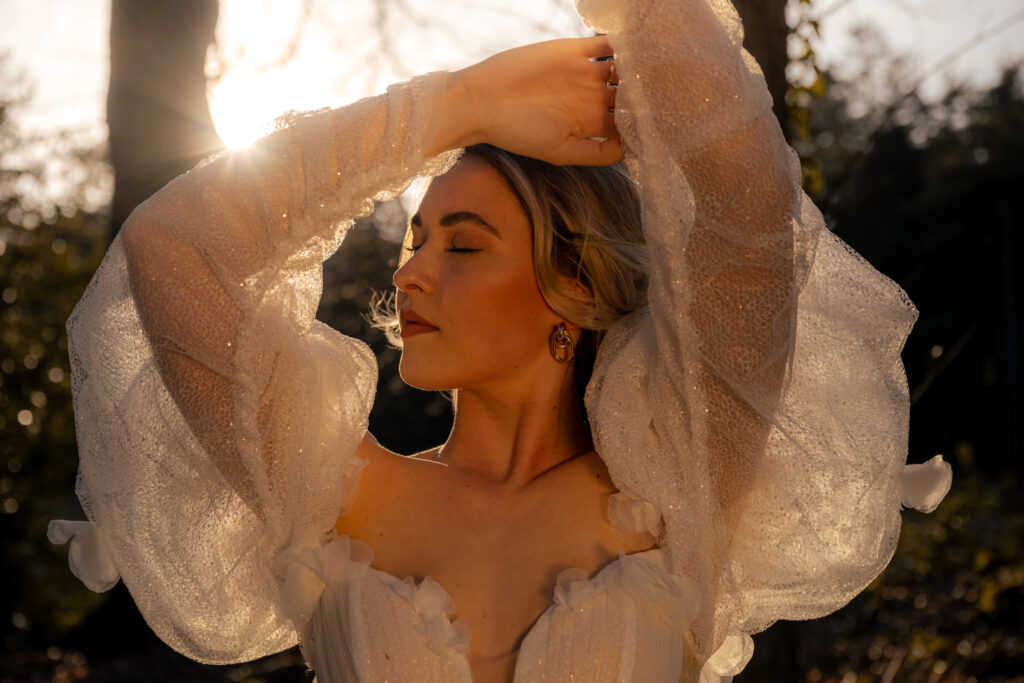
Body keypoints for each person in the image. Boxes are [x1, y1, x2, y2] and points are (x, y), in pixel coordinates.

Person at [49, 0, 953, 681]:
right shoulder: (333, 491)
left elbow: (746, 203)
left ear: (576, 286)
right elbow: (172, 252)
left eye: (464, 244)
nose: (409, 275)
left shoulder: (686, 475)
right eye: (414, 241)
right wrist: (460, 105)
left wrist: (634, 34)